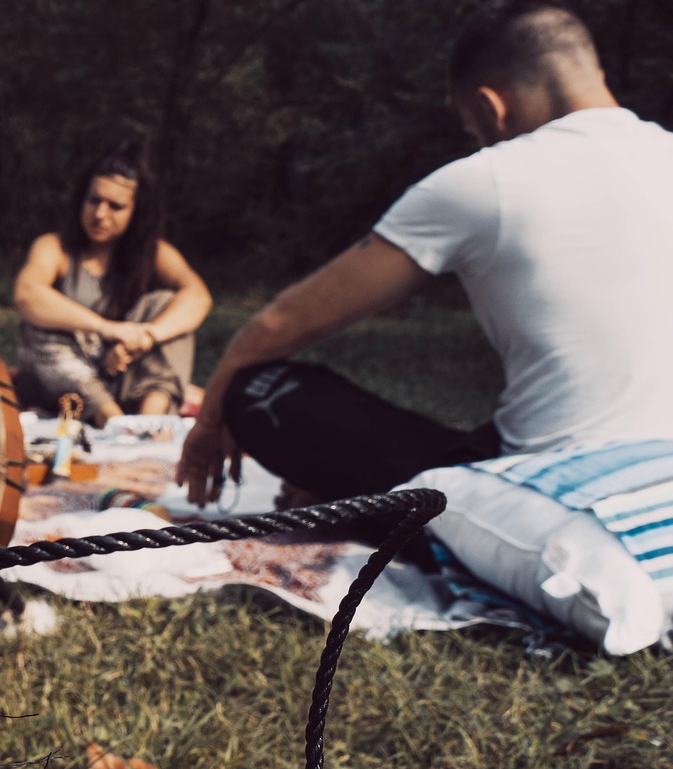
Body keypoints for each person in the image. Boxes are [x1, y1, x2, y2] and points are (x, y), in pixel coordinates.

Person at [177, 0, 673, 509]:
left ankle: (397, 517)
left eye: (471, 127)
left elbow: (282, 324)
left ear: (489, 106)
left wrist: (210, 422)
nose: (478, 139)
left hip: (550, 499)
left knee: (258, 391)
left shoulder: (487, 179)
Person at [12, 143, 212, 424]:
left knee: (167, 305)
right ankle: (113, 422)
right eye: (94, 201)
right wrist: (109, 330)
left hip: (122, 373)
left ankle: (149, 424)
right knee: (39, 324)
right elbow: (27, 295)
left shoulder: (153, 253)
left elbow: (198, 297)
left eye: (115, 206)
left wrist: (146, 337)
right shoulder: (54, 247)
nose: (100, 214)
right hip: (65, 384)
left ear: (136, 212)